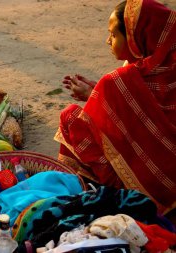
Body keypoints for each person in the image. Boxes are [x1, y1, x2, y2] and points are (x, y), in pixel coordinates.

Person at [55, 0, 176, 214]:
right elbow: (142, 115)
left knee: (70, 117)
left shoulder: (119, 81)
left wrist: (99, 95)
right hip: (169, 177)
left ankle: (111, 193)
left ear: (135, 38)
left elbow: (125, 121)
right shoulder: (166, 67)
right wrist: (98, 95)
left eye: (113, 34)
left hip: (148, 187)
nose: (107, 40)